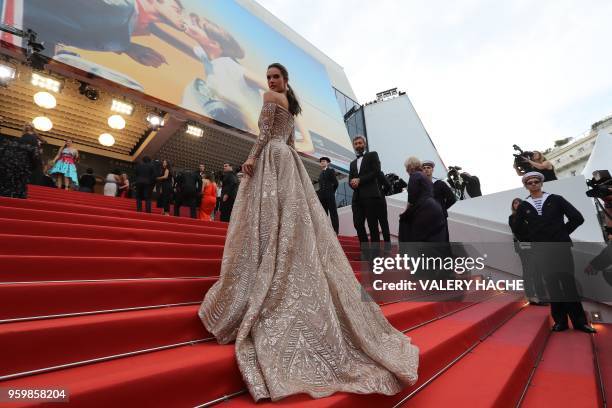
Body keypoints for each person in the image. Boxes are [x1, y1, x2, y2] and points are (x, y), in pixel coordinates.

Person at [199, 63, 418, 402]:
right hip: (288, 160)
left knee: (271, 217)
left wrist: (251, 159)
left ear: (285, 80)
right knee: (288, 218)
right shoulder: (291, 103)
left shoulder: (270, 97)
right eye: (269, 77)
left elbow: (265, 136)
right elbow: (287, 139)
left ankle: (266, 267)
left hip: (273, 158)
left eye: (276, 77)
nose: (271, 82)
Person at [514, 171, 595, 333]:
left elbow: (577, 217)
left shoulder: (556, 199)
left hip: (561, 247)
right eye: (530, 182)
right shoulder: (523, 206)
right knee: (552, 285)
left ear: (541, 183)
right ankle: (560, 322)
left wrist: (563, 233)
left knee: (568, 284)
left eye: (536, 181)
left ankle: (580, 323)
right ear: (526, 186)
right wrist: (534, 241)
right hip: (541, 251)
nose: (534, 184)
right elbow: (518, 229)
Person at [508, 197, 547, 305]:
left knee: (538, 270)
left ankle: (542, 296)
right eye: (515, 203)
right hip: (523, 247)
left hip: (534, 246)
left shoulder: (529, 216)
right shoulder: (512, 218)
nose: (517, 204)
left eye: (519, 203)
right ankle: (531, 297)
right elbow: (518, 231)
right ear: (513, 206)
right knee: (528, 271)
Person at [399, 157, 446, 243]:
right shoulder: (424, 176)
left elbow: (412, 199)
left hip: (424, 210)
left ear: (411, 167)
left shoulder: (414, 176)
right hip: (435, 209)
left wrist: (405, 213)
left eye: (407, 168)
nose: (406, 170)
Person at [349, 136, 386, 243]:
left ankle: (375, 254)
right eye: (356, 144)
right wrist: (352, 183)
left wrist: (360, 180)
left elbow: (376, 172)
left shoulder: (372, 155)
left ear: (364, 144)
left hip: (371, 195)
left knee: (372, 225)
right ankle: (365, 251)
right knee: (358, 224)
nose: (358, 145)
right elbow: (350, 179)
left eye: (360, 143)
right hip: (357, 198)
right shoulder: (352, 163)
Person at [423, 160, 456, 241]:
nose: (426, 169)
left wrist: (442, 208)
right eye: (424, 168)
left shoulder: (440, 183)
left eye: (428, 167)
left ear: (432, 170)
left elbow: (452, 199)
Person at [0, 133, 39, 198]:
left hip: (4, 172)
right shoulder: (32, 149)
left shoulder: (7, 145)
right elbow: (35, 164)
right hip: (20, 175)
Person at [316, 156, 339, 234]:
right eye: (321, 161)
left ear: (328, 163)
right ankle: (325, 232)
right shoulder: (320, 174)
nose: (322, 162)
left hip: (330, 195)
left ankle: (336, 231)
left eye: (324, 161)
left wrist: (332, 192)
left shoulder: (331, 171)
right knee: (324, 214)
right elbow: (320, 186)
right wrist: (318, 193)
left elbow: (336, 183)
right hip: (322, 197)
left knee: (333, 213)